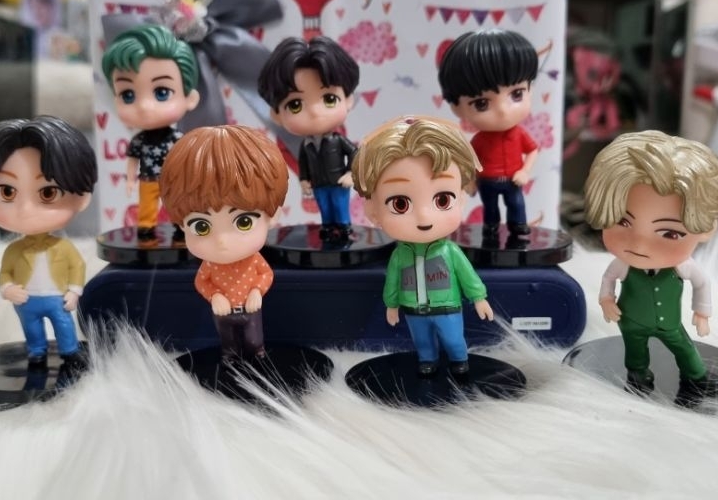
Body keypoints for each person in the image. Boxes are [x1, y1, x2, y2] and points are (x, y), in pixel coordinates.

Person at [584, 130, 718, 400]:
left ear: (705, 230)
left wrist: (702, 312)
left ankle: (696, 376)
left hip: (670, 324)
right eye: (622, 221)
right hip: (630, 321)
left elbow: (702, 282)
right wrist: (606, 300)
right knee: (635, 353)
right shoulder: (622, 265)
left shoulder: (683, 267)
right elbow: (608, 279)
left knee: (684, 348)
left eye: (670, 233)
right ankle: (638, 377)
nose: (640, 246)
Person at [351, 115, 493, 378]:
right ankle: (427, 360)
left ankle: (459, 360)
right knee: (422, 341)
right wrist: (391, 304)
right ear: (372, 211)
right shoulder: (400, 255)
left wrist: (479, 298)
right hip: (413, 309)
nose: (424, 217)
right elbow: (392, 281)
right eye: (400, 204)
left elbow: (467, 275)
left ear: (461, 199)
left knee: (453, 339)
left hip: (448, 306)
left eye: (442, 200)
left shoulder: (450, 251)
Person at [0, 115, 97, 370]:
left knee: (64, 325)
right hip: (26, 301)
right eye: (7, 192)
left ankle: (70, 352)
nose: (26, 210)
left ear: (82, 197)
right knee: (32, 329)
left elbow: (77, 267)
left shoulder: (64, 248)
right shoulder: (14, 250)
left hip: (57, 298)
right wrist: (7, 289)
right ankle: (37, 353)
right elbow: (5, 272)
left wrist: (74, 291)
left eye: (48, 193)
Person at [159, 125, 289, 362]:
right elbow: (202, 281)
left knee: (254, 339)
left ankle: (258, 354)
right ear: (181, 225)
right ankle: (230, 358)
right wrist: (215, 296)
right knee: (228, 342)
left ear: (273, 216)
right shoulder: (210, 265)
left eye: (243, 222)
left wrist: (256, 292)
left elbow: (265, 274)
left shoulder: (254, 260)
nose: (221, 240)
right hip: (223, 311)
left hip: (250, 309)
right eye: (201, 227)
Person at [101, 24, 200, 242]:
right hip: (147, 179)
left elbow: (188, 160)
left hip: (174, 181)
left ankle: (179, 224)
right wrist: (129, 180)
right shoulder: (139, 140)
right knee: (147, 203)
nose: (145, 106)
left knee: (176, 204)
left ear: (190, 98)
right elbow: (132, 160)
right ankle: (146, 227)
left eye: (162, 92)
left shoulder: (178, 139)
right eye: (128, 95)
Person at [438, 29, 539, 237]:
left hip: (513, 180)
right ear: (457, 108)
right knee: (490, 209)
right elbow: (469, 161)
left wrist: (525, 171)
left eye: (516, 94)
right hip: (487, 181)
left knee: (516, 204)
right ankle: (490, 229)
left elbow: (532, 150)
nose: (503, 111)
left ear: (531, 89)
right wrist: (470, 181)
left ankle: (518, 228)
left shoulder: (519, 134)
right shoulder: (478, 140)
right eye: (482, 103)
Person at [258, 36, 359, 241]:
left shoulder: (338, 140)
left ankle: (344, 228)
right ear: (277, 115)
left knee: (339, 205)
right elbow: (303, 163)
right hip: (319, 184)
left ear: (348, 100)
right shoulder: (307, 145)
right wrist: (304, 180)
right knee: (324, 206)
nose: (314, 111)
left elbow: (355, 153)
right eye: (295, 105)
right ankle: (328, 227)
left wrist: (351, 173)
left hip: (339, 182)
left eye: (329, 99)